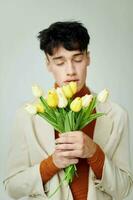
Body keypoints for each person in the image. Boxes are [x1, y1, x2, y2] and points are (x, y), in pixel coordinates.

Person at [3, 21, 133, 200]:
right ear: (48, 64)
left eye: (77, 59)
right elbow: (12, 188)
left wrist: (94, 153)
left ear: (88, 58)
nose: (70, 71)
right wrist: (51, 164)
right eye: (60, 62)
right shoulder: (27, 115)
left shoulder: (116, 115)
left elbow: (125, 189)